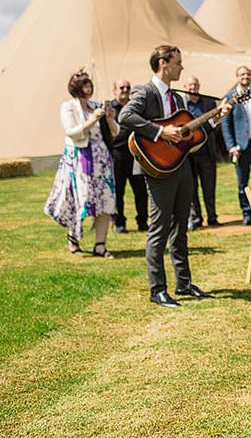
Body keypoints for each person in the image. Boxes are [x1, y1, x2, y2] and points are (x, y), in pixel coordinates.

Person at [119, 45, 231, 307]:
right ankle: (157, 289)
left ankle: (184, 283)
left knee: (181, 228)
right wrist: (160, 133)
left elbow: (190, 137)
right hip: (157, 168)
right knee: (159, 229)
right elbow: (126, 116)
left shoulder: (178, 99)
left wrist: (217, 119)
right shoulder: (144, 92)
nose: (182, 67)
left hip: (181, 167)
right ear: (163, 63)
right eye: (178, 62)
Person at [45, 70, 118, 257]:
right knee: (81, 199)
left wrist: (109, 119)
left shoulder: (97, 105)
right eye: (85, 84)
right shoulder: (68, 107)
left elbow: (116, 131)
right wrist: (93, 118)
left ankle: (100, 245)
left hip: (102, 159)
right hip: (80, 159)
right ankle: (73, 239)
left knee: (106, 200)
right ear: (76, 88)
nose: (89, 87)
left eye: (90, 84)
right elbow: (71, 131)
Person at [222, 65, 251, 226]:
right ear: (237, 77)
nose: (245, 77)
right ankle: (247, 213)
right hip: (241, 147)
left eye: (248, 74)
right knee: (243, 183)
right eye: (242, 74)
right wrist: (231, 146)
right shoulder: (230, 97)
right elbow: (226, 124)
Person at [110, 79, 149, 233]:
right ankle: (120, 224)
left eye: (127, 87)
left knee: (141, 191)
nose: (125, 90)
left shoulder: (135, 107)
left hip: (135, 154)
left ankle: (142, 222)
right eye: (121, 87)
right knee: (118, 192)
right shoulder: (109, 109)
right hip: (117, 155)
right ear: (114, 91)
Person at [183, 76, 220, 228]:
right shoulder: (181, 104)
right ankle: (196, 218)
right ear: (185, 87)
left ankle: (212, 217)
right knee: (191, 189)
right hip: (188, 154)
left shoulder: (209, 103)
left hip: (206, 152)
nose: (193, 88)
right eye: (190, 85)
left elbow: (214, 125)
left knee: (209, 187)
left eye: (195, 85)